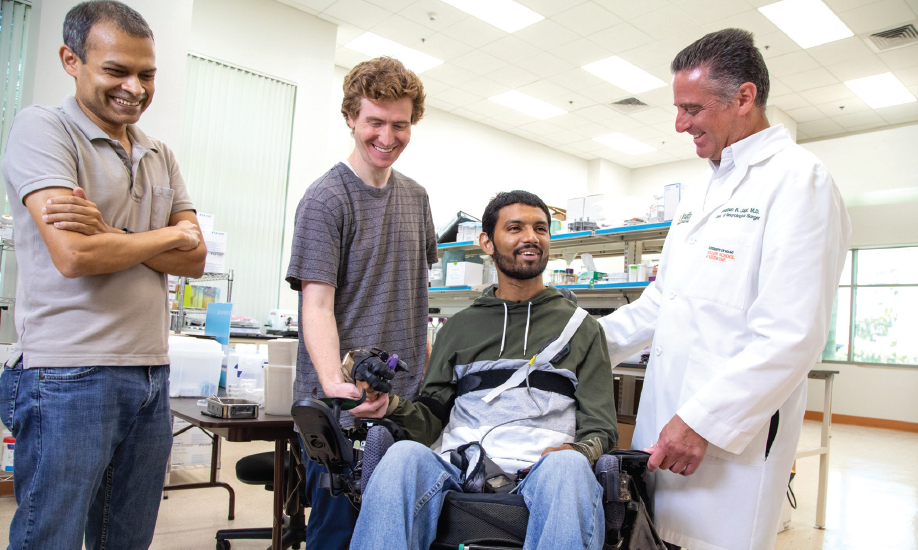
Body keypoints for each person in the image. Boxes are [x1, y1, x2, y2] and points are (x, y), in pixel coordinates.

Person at [598, 28, 851, 550]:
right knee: (650, 539)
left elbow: (792, 334)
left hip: (727, 440)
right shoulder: (700, 190)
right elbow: (661, 303)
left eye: (691, 108)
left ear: (743, 98)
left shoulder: (800, 181)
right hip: (664, 430)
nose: (679, 123)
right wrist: (576, 345)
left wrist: (703, 422)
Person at [0, 1, 206, 549]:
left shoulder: (159, 153)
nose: (134, 88)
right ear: (72, 60)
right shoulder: (43, 129)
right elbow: (74, 256)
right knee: (53, 537)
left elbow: (196, 258)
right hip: (68, 373)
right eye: (116, 71)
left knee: (126, 541)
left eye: (147, 74)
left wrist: (109, 231)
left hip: (150, 375)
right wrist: (163, 235)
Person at [349, 190, 618, 550]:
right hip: (461, 462)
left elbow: (600, 426)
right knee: (402, 456)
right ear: (487, 242)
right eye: (515, 228)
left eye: (540, 228)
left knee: (568, 469)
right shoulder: (458, 329)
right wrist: (390, 405)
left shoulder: (583, 329)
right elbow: (432, 418)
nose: (531, 237)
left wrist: (578, 452)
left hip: (544, 466)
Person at [285, 56, 438, 549]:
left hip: (402, 405)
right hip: (344, 412)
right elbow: (317, 304)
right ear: (351, 117)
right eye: (375, 122)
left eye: (400, 124)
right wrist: (336, 385)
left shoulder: (417, 198)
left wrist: (429, 380)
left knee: (405, 531)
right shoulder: (327, 199)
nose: (387, 137)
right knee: (337, 535)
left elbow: (418, 295)